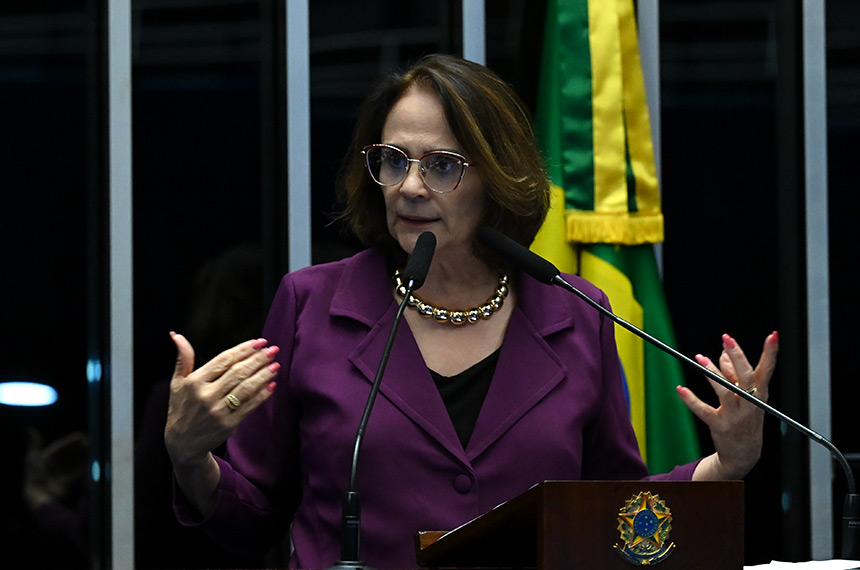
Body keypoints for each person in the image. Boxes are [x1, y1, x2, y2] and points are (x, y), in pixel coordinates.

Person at [164, 54, 779, 569]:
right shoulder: (313, 305)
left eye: (442, 167)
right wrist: (192, 456)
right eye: (394, 160)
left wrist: (727, 464)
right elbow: (253, 517)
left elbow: (608, 513)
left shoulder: (575, 310)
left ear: (497, 177)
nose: (409, 187)